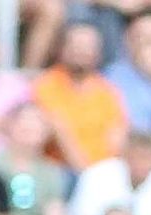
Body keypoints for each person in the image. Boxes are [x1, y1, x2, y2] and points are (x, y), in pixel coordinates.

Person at [33, 22, 128, 170]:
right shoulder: (45, 86)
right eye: (77, 45)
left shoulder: (108, 91)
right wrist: (88, 174)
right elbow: (60, 134)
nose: (82, 51)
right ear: (62, 49)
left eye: (88, 47)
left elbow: (117, 137)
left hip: (104, 172)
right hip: (62, 170)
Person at [0, 101, 70, 215]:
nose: (30, 127)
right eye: (24, 121)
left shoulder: (50, 172)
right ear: (10, 125)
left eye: (37, 122)